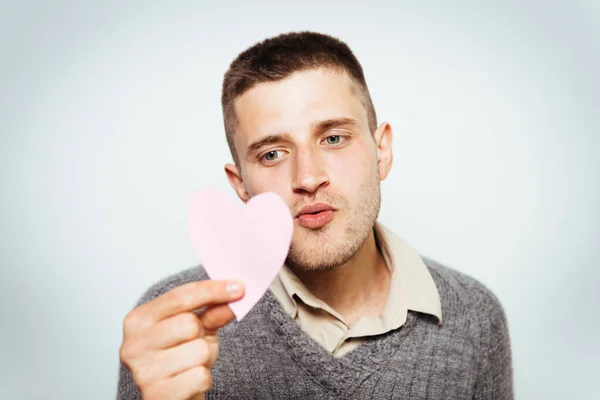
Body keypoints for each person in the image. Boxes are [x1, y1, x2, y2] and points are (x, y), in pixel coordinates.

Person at [116, 31, 513, 400]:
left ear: (382, 152)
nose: (307, 178)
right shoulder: (174, 325)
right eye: (272, 153)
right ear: (240, 186)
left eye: (334, 138)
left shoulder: (475, 317)